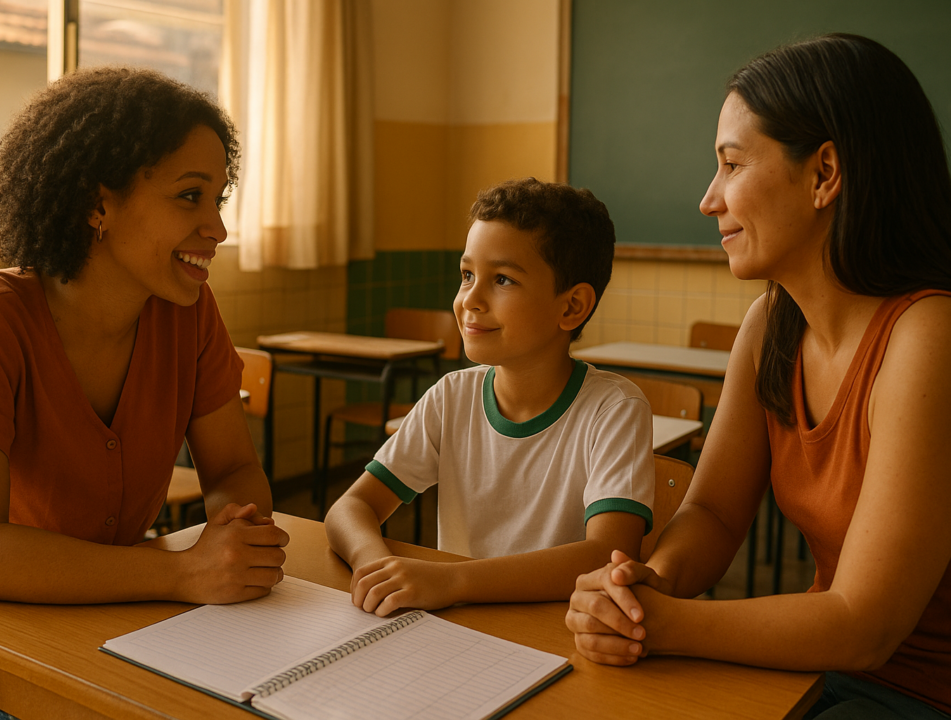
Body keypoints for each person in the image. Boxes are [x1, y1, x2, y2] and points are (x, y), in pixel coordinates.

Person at [565, 33, 951, 719]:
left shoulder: (929, 335)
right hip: (818, 670)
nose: (709, 199)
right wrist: (646, 582)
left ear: (824, 173)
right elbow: (712, 513)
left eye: (732, 164)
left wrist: (664, 622)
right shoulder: (771, 325)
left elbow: (867, 626)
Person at [0, 67, 289, 610]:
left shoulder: (189, 313)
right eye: (190, 195)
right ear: (96, 204)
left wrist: (235, 531)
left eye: (218, 200)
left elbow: (233, 470)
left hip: (123, 611)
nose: (217, 229)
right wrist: (179, 572)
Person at [325, 177, 655, 617]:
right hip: (459, 625)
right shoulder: (452, 397)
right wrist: (374, 565)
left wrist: (452, 580)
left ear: (572, 307)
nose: (470, 300)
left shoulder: (613, 410)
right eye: (466, 276)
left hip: (558, 634)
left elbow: (607, 556)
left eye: (502, 279)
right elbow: (350, 507)